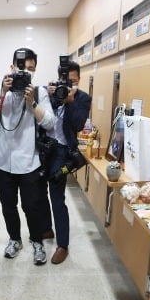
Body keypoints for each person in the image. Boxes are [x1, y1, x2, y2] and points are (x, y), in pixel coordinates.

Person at [0, 48, 56, 265]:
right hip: (3, 161)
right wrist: (2, 92)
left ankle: (36, 241)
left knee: (31, 206)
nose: (25, 72)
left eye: (30, 68)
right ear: (12, 67)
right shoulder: (1, 90)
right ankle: (14, 239)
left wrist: (32, 103)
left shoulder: (39, 92)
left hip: (29, 162)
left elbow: (50, 123)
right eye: (21, 67)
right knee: (8, 205)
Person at [40, 61, 91, 264]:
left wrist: (70, 101)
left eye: (73, 80)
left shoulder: (83, 98)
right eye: (66, 80)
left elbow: (78, 124)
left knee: (57, 198)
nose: (69, 84)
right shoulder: (49, 92)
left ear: (78, 79)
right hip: (44, 147)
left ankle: (63, 245)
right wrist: (51, 96)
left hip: (62, 151)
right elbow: (42, 118)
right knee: (38, 191)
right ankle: (46, 228)